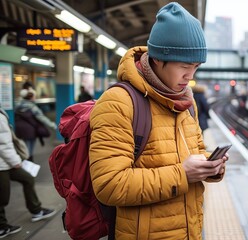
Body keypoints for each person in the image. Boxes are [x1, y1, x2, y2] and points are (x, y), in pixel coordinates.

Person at [89, 3, 228, 239]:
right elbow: (109, 186)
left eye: (195, 67)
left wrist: (210, 167)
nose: (190, 76)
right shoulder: (118, 103)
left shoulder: (186, 102)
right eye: (184, 66)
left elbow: (196, 152)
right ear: (158, 59)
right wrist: (182, 175)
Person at [0, 107, 57, 238]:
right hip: (4, 164)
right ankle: (2, 226)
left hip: (6, 162)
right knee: (2, 196)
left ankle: (36, 210)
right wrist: (15, 161)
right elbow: (2, 144)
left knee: (27, 179)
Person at [14, 88, 57, 162]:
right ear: (30, 97)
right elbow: (41, 118)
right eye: (34, 96)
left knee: (22, 147)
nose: (35, 98)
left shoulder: (17, 105)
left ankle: (24, 161)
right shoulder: (33, 107)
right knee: (29, 149)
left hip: (19, 130)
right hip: (30, 130)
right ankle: (29, 165)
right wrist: (52, 125)